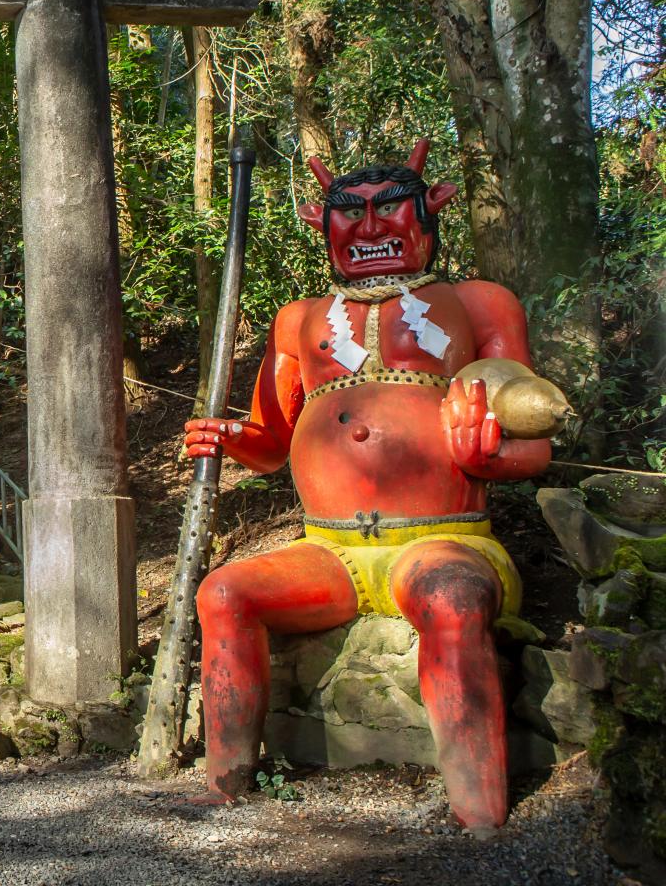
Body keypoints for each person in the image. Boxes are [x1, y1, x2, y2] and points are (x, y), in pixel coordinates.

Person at [183, 139, 550, 832]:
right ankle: (225, 786)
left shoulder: (478, 302)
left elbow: (534, 441)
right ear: (321, 224)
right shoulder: (298, 321)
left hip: (442, 538)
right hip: (330, 550)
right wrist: (229, 438)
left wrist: (491, 455)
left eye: (390, 210)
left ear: (430, 212)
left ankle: (480, 814)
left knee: (453, 598)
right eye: (349, 215)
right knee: (224, 592)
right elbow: (268, 442)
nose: (370, 229)